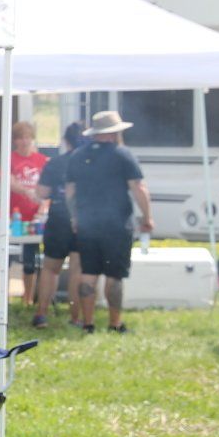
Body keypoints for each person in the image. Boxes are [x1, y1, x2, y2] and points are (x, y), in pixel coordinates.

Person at [65, 110, 154, 334]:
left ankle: (88, 323)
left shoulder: (77, 155)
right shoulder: (123, 155)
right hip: (117, 223)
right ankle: (115, 323)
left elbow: (69, 191)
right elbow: (138, 188)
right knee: (115, 275)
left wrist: (74, 217)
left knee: (88, 273)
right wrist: (147, 216)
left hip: (87, 222)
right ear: (115, 133)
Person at [32, 122, 86, 328]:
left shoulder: (55, 163)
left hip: (58, 218)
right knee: (77, 270)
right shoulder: (89, 162)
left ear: (66, 141)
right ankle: (75, 317)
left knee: (50, 269)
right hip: (83, 219)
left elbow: (42, 193)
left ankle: (41, 314)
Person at [8, 120, 49, 274]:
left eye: (28, 137)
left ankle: (29, 297)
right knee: (8, 260)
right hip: (14, 216)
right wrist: (27, 191)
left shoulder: (42, 160)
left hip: (34, 217)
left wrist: (43, 207)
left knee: (30, 261)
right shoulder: (9, 159)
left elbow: (49, 188)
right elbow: (9, 182)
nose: (24, 141)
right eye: (20, 137)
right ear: (14, 140)